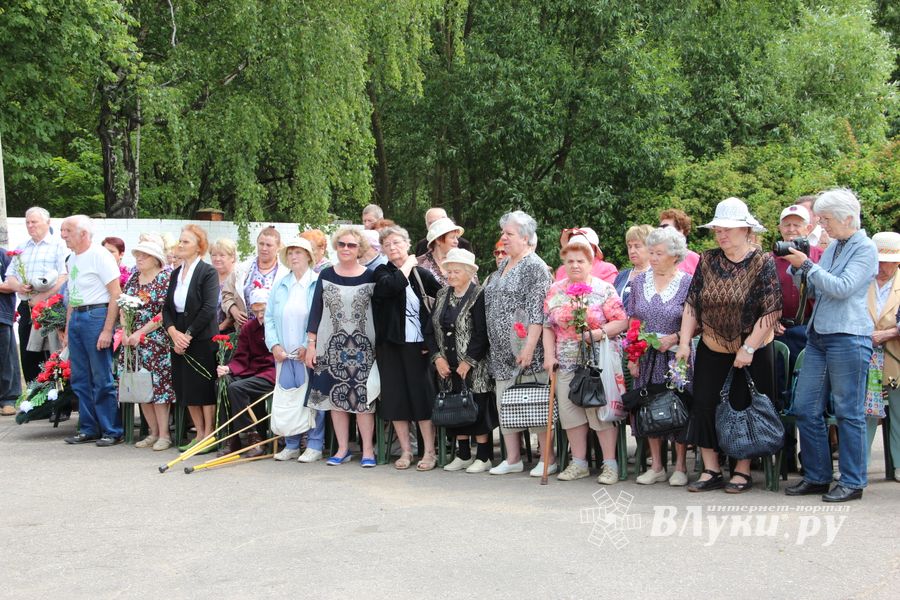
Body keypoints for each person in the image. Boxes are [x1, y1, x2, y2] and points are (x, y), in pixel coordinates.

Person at [675, 197, 782, 493]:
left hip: (753, 347)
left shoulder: (762, 262)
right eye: (718, 230)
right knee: (704, 403)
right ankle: (711, 470)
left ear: (746, 231)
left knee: (742, 404)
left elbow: (771, 310)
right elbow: (692, 303)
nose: (721, 235)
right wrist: (685, 342)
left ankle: (742, 470)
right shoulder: (707, 260)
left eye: (727, 229)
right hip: (712, 344)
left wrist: (748, 348)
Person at [782, 189, 878, 502]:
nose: (823, 225)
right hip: (820, 334)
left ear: (848, 218)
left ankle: (852, 481)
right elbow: (818, 292)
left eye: (827, 219)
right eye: (820, 219)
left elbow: (842, 288)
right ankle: (817, 476)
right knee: (806, 409)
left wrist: (808, 265)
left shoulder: (866, 248)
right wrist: (800, 271)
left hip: (849, 336)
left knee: (849, 412)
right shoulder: (835, 245)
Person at [544, 237, 628, 484]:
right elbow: (548, 326)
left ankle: (610, 464)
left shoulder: (604, 289)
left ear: (591, 263)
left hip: (595, 361)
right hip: (566, 360)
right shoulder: (556, 290)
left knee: (598, 410)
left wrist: (597, 334)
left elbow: (621, 321)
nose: (575, 265)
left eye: (580, 261)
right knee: (571, 414)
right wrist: (549, 356)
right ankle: (579, 462)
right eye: (570, 261)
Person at [484, 210, 555, 476]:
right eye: (503, 233)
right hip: (501, 351)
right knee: (507, 405)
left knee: (534, 403)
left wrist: (528, 347)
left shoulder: (535, 267)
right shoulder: (504, 265)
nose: (503, 238)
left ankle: (547, 458)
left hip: (527, 350)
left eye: (509, 234)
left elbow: (539, 311)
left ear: (525, 237)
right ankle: (512, 458)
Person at [305, 227, 378, 467]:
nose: (346, 249)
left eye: (352, 245)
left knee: (363, 400)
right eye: (342, 244)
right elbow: (315, 311)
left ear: (360, 250)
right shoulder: (325, 275)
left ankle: (368, 450)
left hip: (364, 348)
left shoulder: (371, 276)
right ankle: (342, 448)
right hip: (330, 346)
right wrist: (311, 345)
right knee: (336, 398)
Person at [626, 227, 693, 486]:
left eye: (659, 253)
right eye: (650, 252)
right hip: (646, 355)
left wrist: (675, 338)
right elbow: (633, 320)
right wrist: (632, 356)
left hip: (676, 355)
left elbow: (696, 321)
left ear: (675, 256)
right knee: (650, 407)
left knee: (678, 406)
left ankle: (680, 466)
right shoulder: (639, 281)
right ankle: (656, 466)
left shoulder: (687, 282)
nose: (652, 257)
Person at [373, 225, 442, 471]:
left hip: (419, 347)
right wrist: (406, 265)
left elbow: (442, 301)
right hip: (390, 346)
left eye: (397, 243)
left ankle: (430, 452)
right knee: (396, 400)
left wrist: (432, 341)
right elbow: (391, 286)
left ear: (408, 244)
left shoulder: (422, 275)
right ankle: (405, 451)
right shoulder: (381, 272)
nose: (393, 247)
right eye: (387, 244)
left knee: (421, 399)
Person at [425, 248, 496, 473]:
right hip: (447, 362)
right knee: (455, 408)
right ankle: (463, 454)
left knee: (476, 406)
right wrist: (437, 358)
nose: (450, 275)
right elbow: (430, 330)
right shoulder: (442, 294)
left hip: (474, 364)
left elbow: (482, 332)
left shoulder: (479, 294)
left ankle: (484, 457)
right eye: (448, 271)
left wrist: (469, 361)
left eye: (456, 271)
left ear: (468, 272)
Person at [59, 215, 123, 446]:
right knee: (79, 377)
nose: (63, 235)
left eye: (67, 230)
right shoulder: (72, 259)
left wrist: (108, 330)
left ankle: (111, 429)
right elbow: (73, 298)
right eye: (62, 230)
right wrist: (67, 329)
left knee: (101, 376)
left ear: (83, 233)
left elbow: (115, 294)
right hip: (77, 315)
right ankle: (88, 427)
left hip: (96, 315)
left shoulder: (100, 256)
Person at [265, 237, 325, 462]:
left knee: (313, 398)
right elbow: (269, 318)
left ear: (309, 256)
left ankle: (315, 444)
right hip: (283, 354)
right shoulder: (280, 284)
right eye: (290, 253)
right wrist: (274, 345)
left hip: (307, 352)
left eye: (299, 252)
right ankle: (291, 443)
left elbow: (319, 316)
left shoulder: (316, 282)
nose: (294, 256)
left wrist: (305, 345)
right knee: (288, 397)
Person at [163, 225, 220, 451]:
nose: (180, 245)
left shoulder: (207, 272)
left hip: (201, 337)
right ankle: (198, 433)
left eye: (186, 242)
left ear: (199, 247)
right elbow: (167, 308)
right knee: (185, 387)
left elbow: (208, 308)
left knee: (202, 387)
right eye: (180, 241)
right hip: (179, 336)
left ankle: (209, 435)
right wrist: (173, 333)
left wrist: (187, 335)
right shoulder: (176, 273)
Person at [120, 240, 175, 450]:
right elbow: (123, 306)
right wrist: (126, 332)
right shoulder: (134, 278)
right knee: (140, 386)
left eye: (144, 255)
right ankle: (152, 432)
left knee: (159, 389)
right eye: (137, 255)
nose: (139, 259)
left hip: (156, 341)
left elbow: (165, 312)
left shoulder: (165, 279)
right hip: (133, 342)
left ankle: (164, 434)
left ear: (155, 258)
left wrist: (140, 333)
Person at [5, 207, 68, 381]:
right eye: (28, 222)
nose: (30, 226)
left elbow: (64, 276)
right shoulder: (21, 247)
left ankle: (56, 404)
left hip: (51, 307)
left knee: (53, 354)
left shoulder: (59, 246)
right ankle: (33, 402)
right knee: (28, 354)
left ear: (47, 223)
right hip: (27, 307)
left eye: (34, 222)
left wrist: (43, 296)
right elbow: (10, 275)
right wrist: (18, 286)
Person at [216, 287, 276, 459]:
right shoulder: (249, 326)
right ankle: (231, 438)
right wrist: (229, 368)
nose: (260, 315)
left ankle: (253, 437)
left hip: (271, 372)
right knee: (222, 382)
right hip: (252, 370)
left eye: (263, 310)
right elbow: (241, 356)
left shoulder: (278, 323)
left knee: (236, 388)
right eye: (256, 311)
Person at [772, 205, 824, 396]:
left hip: (810, 331)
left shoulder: (820, 256)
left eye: (797, 225)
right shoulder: (770, 259)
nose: (791, 229)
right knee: (778, 390)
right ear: (779, 228)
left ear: (808, 229)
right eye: (787, 225)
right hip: (777, 331)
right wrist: (770, 321)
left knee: (807, 393)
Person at [864, 232, 900, 477]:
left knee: (898, 408)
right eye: (877, 260)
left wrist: (887, 334)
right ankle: (859, 465)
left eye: (888, 260)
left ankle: (899, 464)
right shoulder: (863, 280)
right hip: (864, 355)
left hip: (895, 357)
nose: (882, 266)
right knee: (865, 411)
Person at [221, 226, 288, 330]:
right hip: (245, 331)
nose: (264, 248)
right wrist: (234, 310)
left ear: (278, 247)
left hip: (276, 331)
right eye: (261, 244)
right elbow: (226, 294)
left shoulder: (286, 272)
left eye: (269, 245)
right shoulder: (242, 269)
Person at [0, 248, 22, 416]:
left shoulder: (4, 255)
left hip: (2, 314)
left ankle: (8, 399)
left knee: (6, 358)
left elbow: (16, 285)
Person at [554, 227, 618, 285]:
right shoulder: (562, 270)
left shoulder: (608, 269)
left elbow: (609, 294)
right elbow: (555, 293)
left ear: (593, 246)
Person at [417, 217, 466, 286]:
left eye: (456, 238)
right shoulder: (420, 264)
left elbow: (475, 290)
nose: (456, 242)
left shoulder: (463, 261)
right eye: (452, 237)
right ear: (438, 240)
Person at [613, 224, 654, 305]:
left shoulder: (656, 275)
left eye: (637, 246)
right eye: (629, 246)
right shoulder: (621, 275)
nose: (632, 251)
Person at [658, 208, 701, 275]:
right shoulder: (654, 257)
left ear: (680, 231)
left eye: (666, 227)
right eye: (660, 228)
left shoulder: (693, 259)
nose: (662, 231)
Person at [210, 238, 238, 333]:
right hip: (208, 332)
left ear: (232, 257)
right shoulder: (208, 277)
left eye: (222, 255)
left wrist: (220, 328)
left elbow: (237, 307)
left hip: (229, 333)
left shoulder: (237, 278)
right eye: (214, 255)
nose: (217, 259)